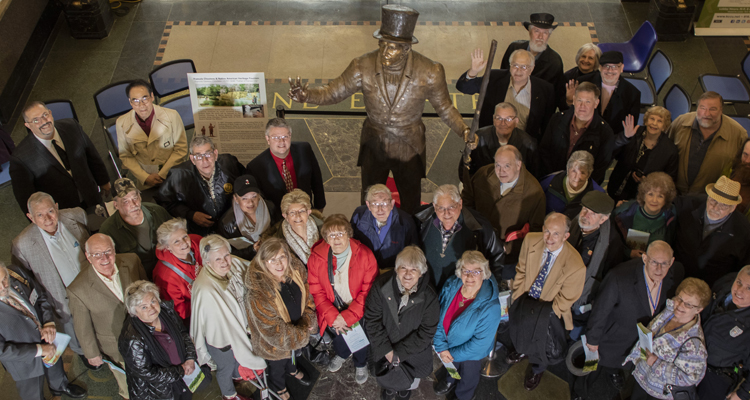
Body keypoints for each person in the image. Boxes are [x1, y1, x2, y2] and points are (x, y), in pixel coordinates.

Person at [288, 5, 473, 213]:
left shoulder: (429, 70)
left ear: (406, 49)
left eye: (392, 47)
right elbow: (333, 92)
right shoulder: (362, 65)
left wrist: (464, 130)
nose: (385, 51)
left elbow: (445, 108)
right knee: (369, 197)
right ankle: (366, 231)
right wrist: (307, 96)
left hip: (409, 144)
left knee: (411, 199)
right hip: (374, 142)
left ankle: (410, 235)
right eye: (382, 44)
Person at [578, 241, 684, 399]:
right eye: (654, 262)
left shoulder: (676, 273)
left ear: (672, 261)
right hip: (611, 338)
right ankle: (580, 392)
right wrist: (592, 340)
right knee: (590, 370)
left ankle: (613, 372)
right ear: (645, 258)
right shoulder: (619, 277)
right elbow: (600, 311)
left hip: (640, 341)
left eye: (665, 263)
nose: (659, 269)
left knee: (620, 364)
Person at [10, 192, 95, 369]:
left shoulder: (77, 216)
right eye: (39, 215)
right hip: (64, 302)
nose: (47, 219)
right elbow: (28, 285)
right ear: (30, 217)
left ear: (56, 207)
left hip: (93, 289)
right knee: (78, 336)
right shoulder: (22, 245)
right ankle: (84, 355)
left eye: (50, 211)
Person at [506, 213, 586, 390]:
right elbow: (521, 270)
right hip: (526, 298)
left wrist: (541, 315)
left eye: (556, 234)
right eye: (547, 231)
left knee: (541, 346)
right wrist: (518, 297)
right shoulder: (530, 240)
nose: (549, 238)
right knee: (519, 329)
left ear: (566, 236)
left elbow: (566, 299)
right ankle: (521, 349)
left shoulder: (576, 265)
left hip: (549, 311)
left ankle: (537, 369)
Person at [67, 233, 148, 399]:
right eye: (97, 254)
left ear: (114, 250)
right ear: (88, 257)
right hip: (117, 345)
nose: (104, 258)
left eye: (108, 251)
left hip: (147, 333)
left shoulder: (131, 261)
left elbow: (147, 290)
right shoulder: (77, 289)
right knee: (129, 385)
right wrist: (92, 353)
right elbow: (83, 327)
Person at [190, 234, 265, 400]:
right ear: (207, 262)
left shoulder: (232, 263)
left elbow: (250, 270)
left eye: (226, 255)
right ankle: (229, 395)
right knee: (226, 366)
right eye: (218, 259)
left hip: (243, 328)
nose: (225, 262)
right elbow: (211, 323)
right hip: (222, 341)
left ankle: (239, 378)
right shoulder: (204, 288)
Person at [307, 215, 378, 384]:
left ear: (349, 234)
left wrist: (348, 316)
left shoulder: (365, 255)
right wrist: (333, 316)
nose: (336, 238)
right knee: (339, 336)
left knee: (359, 337)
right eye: (331, 235)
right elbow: (316, 290)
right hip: (332, 308)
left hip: (358, 309)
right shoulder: (317, 257)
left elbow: (368, 290)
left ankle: (360, 364)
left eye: (341, 233)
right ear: (325, 238)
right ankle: (342, 354)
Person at [0, 262, 87, 400]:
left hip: (47, 338)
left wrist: (48, 322)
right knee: (33, 393)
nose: (4, 286)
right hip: (24, 361)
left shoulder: (16, 272)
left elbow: (40, 296)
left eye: (4, 278)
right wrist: (40, 349)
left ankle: (60, 386)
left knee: (55, 368)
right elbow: (2, 351)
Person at [245, 239, 317, 400]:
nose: (279, 264)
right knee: (277, 366)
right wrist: (303, 332)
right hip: (275, 345)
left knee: (293, 355)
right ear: (263, 262)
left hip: (296, 331)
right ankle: (279, 386)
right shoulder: (258, 291)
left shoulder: (295, 269)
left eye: (282, 257)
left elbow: (307, 294)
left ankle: (292, 370)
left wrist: (308, 318)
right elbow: (271, 331)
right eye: (272, 260)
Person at [365, 246, 439, 400]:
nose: (407, 274)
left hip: (413, 350)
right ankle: (390, 388)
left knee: (410, 376)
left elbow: (426, 332)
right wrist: (387, 350)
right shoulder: (381, 286)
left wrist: (398, 354)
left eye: (414, 269)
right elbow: (372, 320)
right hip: (385, 345)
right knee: (387, 374)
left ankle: (406, 387)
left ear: (421, 272)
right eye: (403, 268)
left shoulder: (429, 296)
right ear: (396, 269)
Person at [10, 101, 111, 214]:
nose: (43, 122)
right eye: (36, 120)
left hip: (92, 197)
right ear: (28, 125)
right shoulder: (20, 158)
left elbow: (92, 155)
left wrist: (104, 181)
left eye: (45, 115)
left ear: (50, 113)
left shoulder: (72, 126)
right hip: (62, 211)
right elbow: (26, 198)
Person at [463, 145, 545, 280]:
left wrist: (508, 248)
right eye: (497, 165)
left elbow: (536, 233)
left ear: (518, 165)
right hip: (476, 243)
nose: (501, 171)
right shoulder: (483, 174)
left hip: (504, 256)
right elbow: (468, 199)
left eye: (507, 166)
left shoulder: (535, 193)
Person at [623, 277, 710, 400]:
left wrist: (655, 363)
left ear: (699, 309)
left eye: (688, 304)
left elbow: (688, 378)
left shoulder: (694, 345)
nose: (680, 305)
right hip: (643, 376)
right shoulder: (670, 311)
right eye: (680, 298)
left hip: (657, 392)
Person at [432, 251, 501, 400]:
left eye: (476, 271)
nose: (470, 277)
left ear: (484, 273)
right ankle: (450, 380)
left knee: (468, 377)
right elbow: (436, 314)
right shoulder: (452, 284)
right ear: (460, 271)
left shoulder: (491, 306)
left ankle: (464, 395)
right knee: (451, 368)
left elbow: (479, 344)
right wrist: (441, 346)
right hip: (447, 346)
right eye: (466, 271)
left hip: (470, 354)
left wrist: (450, 354)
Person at [119, 281, 199, 400]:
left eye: (153, 301)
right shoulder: (131, 339)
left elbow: (183, 333)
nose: (151, 308)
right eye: (144, 307)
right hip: (159, 391)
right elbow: (147, 373)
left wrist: (190, 358)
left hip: (184, 378)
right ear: (134, 311)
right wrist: (180, 371)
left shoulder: (167, 311)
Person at [414, 184, 504, 289]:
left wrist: (489, 287)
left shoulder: (479, 227)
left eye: (451, 207)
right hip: (426, 290)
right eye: (441, 208)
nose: (446, 213)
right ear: (434, 206)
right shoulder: (420, 219)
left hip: (459, 294)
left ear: (460, 204)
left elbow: (497, 257)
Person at [456, 49, 556, 141]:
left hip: (524, 145)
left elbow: (547, 126)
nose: (518, 70)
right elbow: (464, 88)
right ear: (510, 66)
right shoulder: (494, 79)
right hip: (491, 142)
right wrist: (473, 71)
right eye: (515, 65)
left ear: (532, 69)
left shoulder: (545, 90)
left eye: (524, 67)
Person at [566, 191, 626, 340]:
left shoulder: (610, 244)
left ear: (604, 219)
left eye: (593, 213)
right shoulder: (573, 222)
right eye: (585, 209)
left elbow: (610, 280)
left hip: (583, 299)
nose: (585, 215)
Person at [155, 135, 245, 236]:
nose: (204, 161)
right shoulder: (178, 175)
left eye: (208, 154)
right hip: (198, 231)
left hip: (231, 226)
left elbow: (247, 187)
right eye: (198, 156)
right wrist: (190, 214)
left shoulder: (230, 164)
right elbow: (164, 201)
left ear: (215, 154)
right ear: (192, 159)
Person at [673, 175, 750, 286]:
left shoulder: (743, 231)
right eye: (713, 200)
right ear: (708, 196)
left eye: (723, 205)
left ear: (733, 208)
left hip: (710, 288)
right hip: (676, 277)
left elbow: (741, 268)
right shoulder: (688, 204)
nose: (715, 207)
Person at [668, 91, 747, 194]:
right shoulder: (681, 122)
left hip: (709, 198)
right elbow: (663, 150)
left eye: (713, 109)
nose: (706, 114)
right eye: (702, 108)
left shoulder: (738, 134)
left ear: (721, 110)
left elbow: (741, 169)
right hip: (673, 191)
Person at [115, 79, 188, 190]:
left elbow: (181, 149)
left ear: (152, 97)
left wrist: (162, 174)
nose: (141, 105)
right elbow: (126, 156)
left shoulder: (172, 116)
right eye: (136, 100)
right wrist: (145, 177)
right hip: (145, 180)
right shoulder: (121, 123)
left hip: (172, 173)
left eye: (145, 98)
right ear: (130, 102)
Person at [246, 118, 325, 219]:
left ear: (290, 136)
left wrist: (319, 206)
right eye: (276, 137)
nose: (281, 141)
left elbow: (316, 179)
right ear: (268, 139)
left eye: (285, 136)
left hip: (306, 211)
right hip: (278, 217)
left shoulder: (304, 149)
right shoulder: (255, 167)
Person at [539, 82, 615, 184]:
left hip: (582, 186)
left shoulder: (605, 132)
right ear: (574, 100)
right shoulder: (556, 119)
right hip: (552, 180)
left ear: (596, 103)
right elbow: (544, 151)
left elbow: (600, 168)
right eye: (579, 100)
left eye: (588, 102)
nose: (582, 106)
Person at [101, 177, 172, 278]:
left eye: (135, 198)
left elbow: (177, 236)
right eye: (126, 201)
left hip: (169, 272)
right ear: (116, 205)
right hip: (139, 279)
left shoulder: (157, 212)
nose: (133, 204)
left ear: (140, 197)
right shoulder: (108, 230)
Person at [698, 267, 750, 400]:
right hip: (690, 362)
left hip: (716, 378)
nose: (739, 291)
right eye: (739, 282)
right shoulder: (723, 286)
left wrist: (741, 395)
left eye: (749, 288)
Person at [609, 106, 679, 202]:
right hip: (618, 185)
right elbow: (611, 148)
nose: (654, 123)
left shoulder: (670, 150)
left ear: (664, 126)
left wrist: (649, 181)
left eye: (659, 121)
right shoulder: (633, 133)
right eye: (652, 119)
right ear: (646, 121)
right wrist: (625, 137)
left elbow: (669, 179)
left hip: (646, 196)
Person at [500, 13, 566, 109]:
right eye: (537, 31)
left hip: (534, 110)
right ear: (530, 32)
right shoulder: (514, 48)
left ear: (549, 35)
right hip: (509, 103)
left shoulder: (554, 62)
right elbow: (504, 76)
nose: (540, 36)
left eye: (545, 33)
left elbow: (554, 96)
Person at [455, 102, 538, 178]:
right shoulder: (479, 138)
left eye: (508, 119)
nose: (503, 123)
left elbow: (533, 175)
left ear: (516, 121)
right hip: (483, 186)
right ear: (493, 120)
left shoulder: (528, 144)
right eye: (499, 118)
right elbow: (465, 170)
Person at [566, 51, 640, 136]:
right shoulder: (583, 81)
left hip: (611, 139)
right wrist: (569, 101)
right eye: (606, 66)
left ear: (622, 68)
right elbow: (568, 113)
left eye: (615, 67)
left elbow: (628, 129)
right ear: (600, 67)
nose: (610, 70)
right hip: (581, 134)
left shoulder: (633, 94)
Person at [350, 184, 419, 272]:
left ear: (392, 204)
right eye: (375, 204)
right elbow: (351, 242)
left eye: (384, 203)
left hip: (393, 273)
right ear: (368, 205)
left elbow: (414, 252)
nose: (380, 209)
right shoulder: (358, 215)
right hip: (364, 270)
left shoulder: (406, 222)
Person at [614, 172, 678, 258]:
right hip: (629, 262)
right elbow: (612, 241)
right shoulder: (625, 212)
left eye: (660, 196)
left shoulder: (671, 213)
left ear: (666, 200)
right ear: (643, 195)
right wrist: (628, 253)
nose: (654, 200)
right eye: (650, 194)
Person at [153, 218, 203, 325]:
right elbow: (179, 311)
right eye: (176, 241)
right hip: (196, 315)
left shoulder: (197, 241)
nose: (184, 243)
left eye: (185, 237)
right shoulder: (165, 276)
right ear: (167, 247)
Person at [216, 175, 277, 260]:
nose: (250, 203)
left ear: (259, 195)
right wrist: (252, 250)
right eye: (244, 198)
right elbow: (228, 253)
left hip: (273, 255)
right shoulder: (227, 223)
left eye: (254, 196)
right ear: (236, 199)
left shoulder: (270, 208)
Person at [261, 189, 324, 265]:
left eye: (302, 211)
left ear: (308, 212)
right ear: (285, 216)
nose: (297, 216)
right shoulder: (277, 241)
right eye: (292, 212)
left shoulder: (325, 230)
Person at [540, 150, 604, 219]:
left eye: (582, 173)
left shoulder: (597, 194)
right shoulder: (549, 183)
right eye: (574, 171)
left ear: (588, 175)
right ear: (567, 170)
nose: (577, 177)